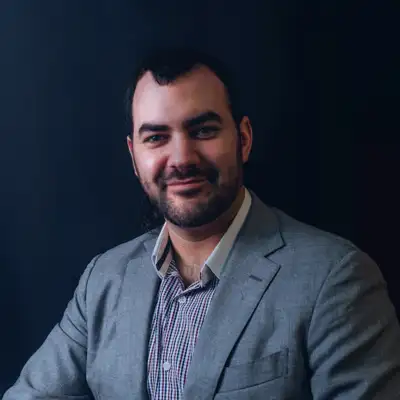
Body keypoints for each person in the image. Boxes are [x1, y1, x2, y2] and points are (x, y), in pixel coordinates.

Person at [3, 47, 400, 400]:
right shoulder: (103, 280)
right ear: (134, 156)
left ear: (243, 139)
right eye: (156, 137)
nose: (181, 159)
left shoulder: (335, 279)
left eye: (203, 130)